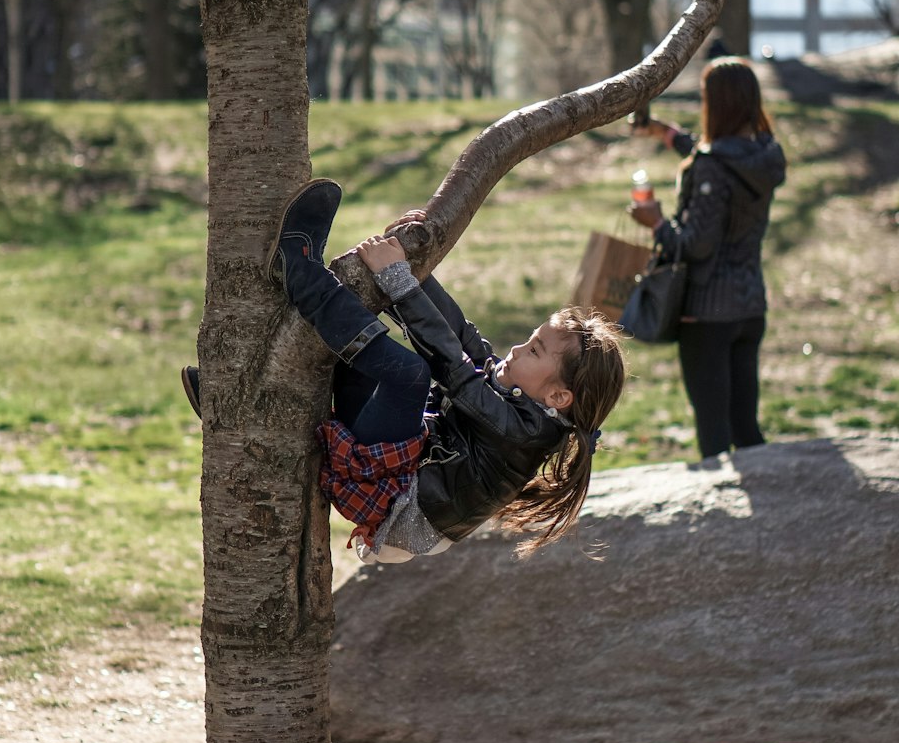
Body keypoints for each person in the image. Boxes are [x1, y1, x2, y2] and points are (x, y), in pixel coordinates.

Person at [182, 179, 625, 563]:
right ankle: (251, 414)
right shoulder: (524, 403)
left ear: (558, 397)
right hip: (406, 465)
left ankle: (298, 268)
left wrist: (399, 279)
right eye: (530, 339)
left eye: (534, 352)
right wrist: (416, 267)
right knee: (356, 364)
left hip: (399, 503)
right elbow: (466, 341)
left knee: (410, 374)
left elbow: (454, 368)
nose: (516, 349)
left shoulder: (522, 432)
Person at [629, 56, 787, 461]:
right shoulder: (765, 156)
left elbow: (697, 244)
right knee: (746, 428)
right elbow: (720, 161)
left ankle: (725, 520)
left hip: (707, 315)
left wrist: (657, 222)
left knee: (714, 434)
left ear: (718, 104)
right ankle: (776, 511)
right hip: (750, 308)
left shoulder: (712, 167)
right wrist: (668, 134)